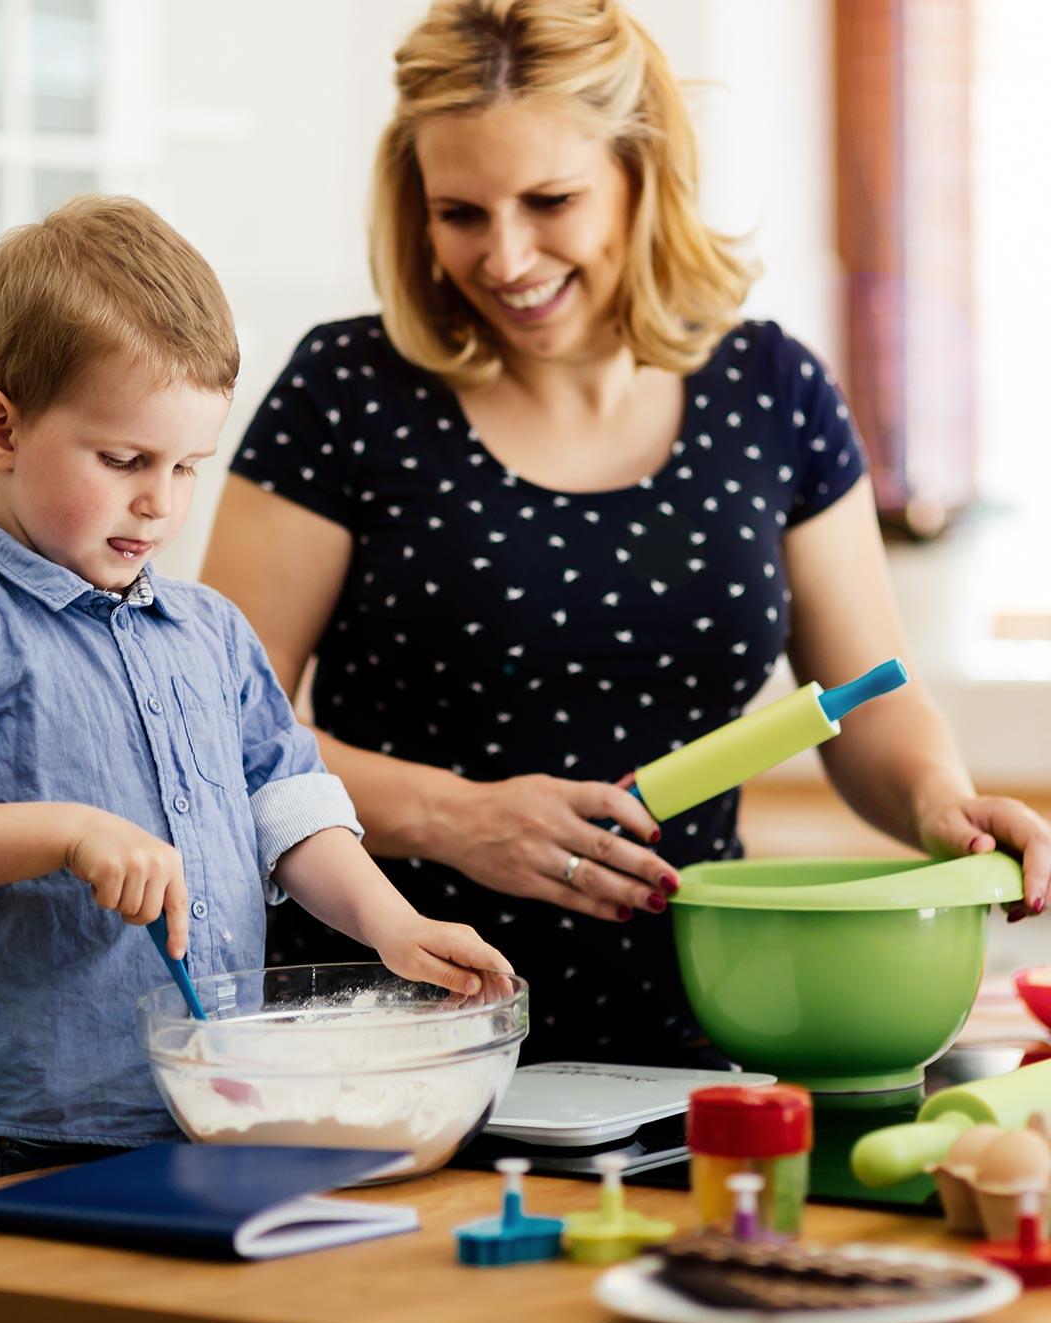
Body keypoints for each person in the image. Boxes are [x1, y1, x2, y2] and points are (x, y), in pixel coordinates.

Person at [201, 0, 1050, 1068]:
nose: (506, 256)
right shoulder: (344, 392)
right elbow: (210, 734)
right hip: (391, 1040)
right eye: (460, 212)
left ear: (641, 174)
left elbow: (873, 699)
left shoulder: (774, 393)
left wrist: (944, 806)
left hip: (701, 1032)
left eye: (549, 200)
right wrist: (453, 817)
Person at [0, 195, 511, 1184]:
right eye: (123, 461)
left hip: (223, 1106)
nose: (159, 501)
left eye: (188, 466)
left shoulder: (211, 633)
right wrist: (66, 832)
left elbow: (290, 808)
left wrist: (392, 926)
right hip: (42, 1121)